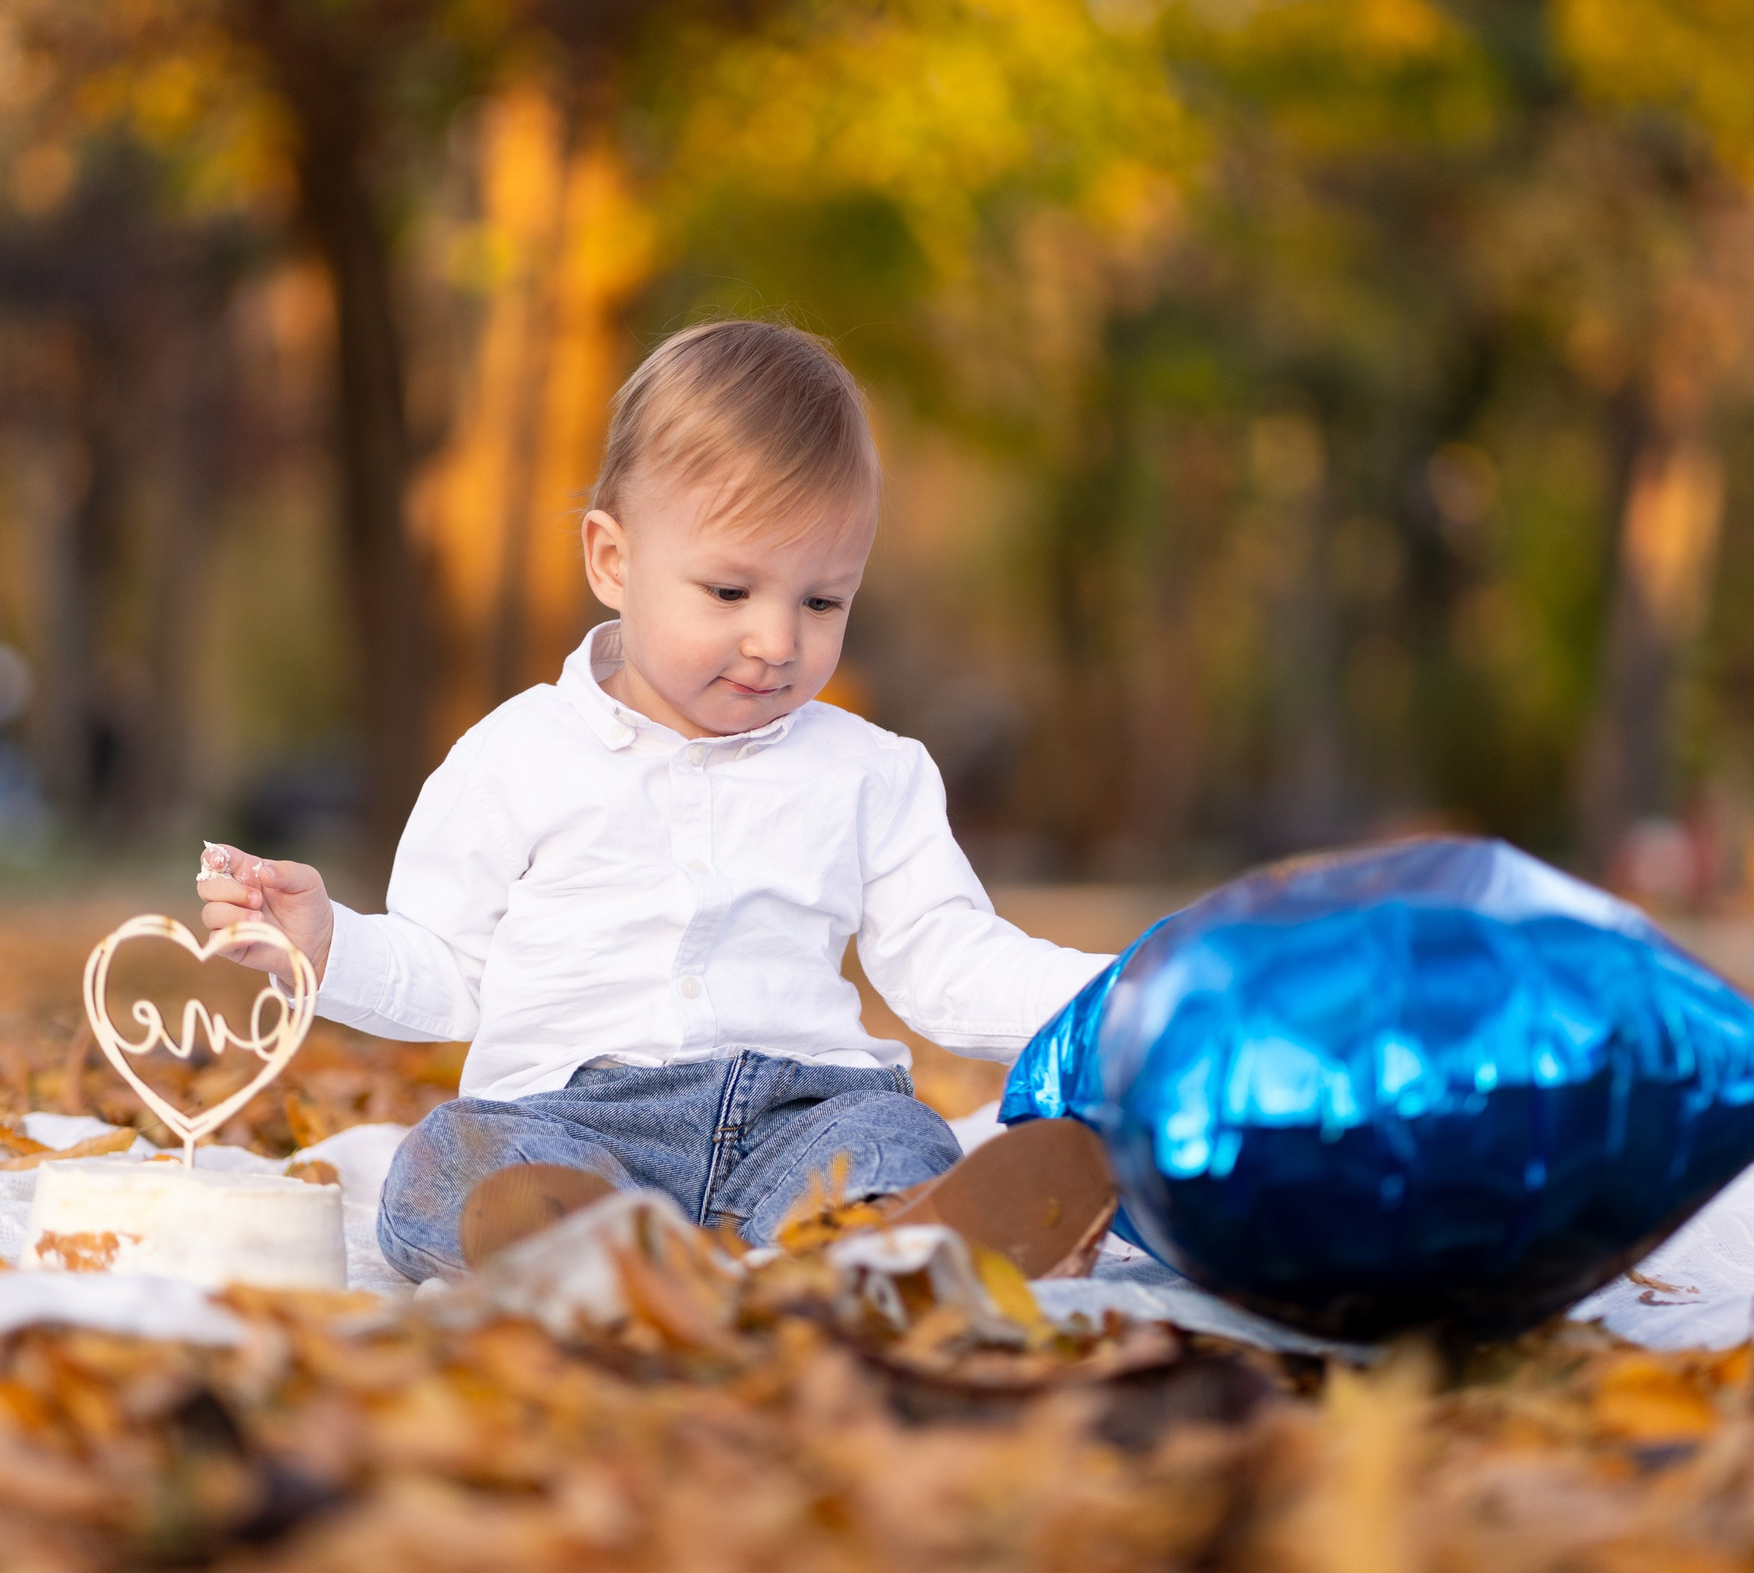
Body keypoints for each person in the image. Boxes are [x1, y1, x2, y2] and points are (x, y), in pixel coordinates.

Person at [197, 319, 1118, 1282]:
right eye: (729, 591)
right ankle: (590, 1245)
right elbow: (448, 970)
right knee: (449, 1157)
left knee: (898, 1135)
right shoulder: (516, 755)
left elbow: (948, 958)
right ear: (613, 561)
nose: (777, 640)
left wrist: (1119, 993)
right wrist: (323, 946)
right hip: (573, 1121)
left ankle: (889, 1242)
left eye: (821, 601)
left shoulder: (872, 772)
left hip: (801, 1115)